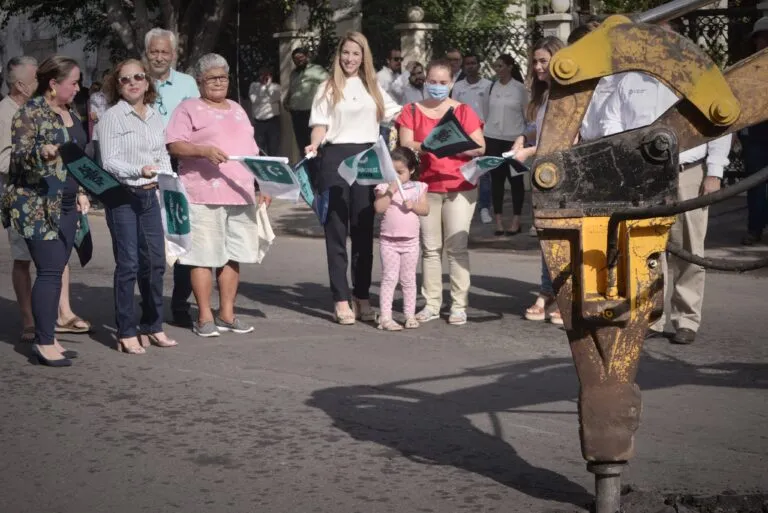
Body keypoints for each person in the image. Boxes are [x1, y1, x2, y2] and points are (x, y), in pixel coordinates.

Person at [600, 30, 732, 346]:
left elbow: (721, 123)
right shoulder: (628, 80)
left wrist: (714, 172)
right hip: (644, 175)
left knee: (688, 248)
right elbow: (610, 123)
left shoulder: (696, 79)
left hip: (688, 172)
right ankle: (652, 317)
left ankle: (686, 319)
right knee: (646, 248)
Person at [167, 53, 272, 338]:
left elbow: (252, 151)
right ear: (200, 81)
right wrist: (203, 150)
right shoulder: (188, 108)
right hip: (202, 194)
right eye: (212, 77)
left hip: (240, 192)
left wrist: (263, 185)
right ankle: (203, 317)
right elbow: (174, 145)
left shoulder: (238, 108)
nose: (218, 82)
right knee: (202, 256)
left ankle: (227, 314)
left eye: (223, 77)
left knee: (233, 256)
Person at [304, 32, 401, 324]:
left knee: (362, 231)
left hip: (367, 160)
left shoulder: (374, 88)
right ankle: (341, 299)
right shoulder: (327, 87)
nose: (350, 59)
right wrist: (314, 144)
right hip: (334, 160)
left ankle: (361, 296)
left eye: (356, 54)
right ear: (339, 55)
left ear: (364, 57)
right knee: (336, 233)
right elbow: (320, 125)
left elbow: (398, 114)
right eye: (346, 53)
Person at [1, 56, 91, 366]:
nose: (78, 88)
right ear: (53, 85)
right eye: (73, 82)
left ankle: (49, 335)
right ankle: (44, 341)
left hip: (66, 202)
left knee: (57, 269)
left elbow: (77, 155)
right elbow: (20, 155)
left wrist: (80, 191)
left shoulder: (69, 111)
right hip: (37, 204)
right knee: (50, 271)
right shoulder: (30, 112)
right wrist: (42, 151)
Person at [97, 59, 177, 354]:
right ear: (116, 86)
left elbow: (163, 156)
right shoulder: (112, 117)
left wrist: (166, 179)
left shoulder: (155, 116)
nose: (132, 83)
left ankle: (153, 325)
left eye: (138, 78)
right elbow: (109, 161)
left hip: (150, 196)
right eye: (125, 79)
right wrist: (139, 170)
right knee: (129, 264)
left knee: (155, 263)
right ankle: (126, 330)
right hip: (122, 196)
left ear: (147, 83)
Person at [397, 59, 485, 326]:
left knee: (456, 247)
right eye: (432, 82)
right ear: (425, 82)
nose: (437, 87)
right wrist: (428, 146)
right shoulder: (412, 110)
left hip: (460, 186)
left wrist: (453, 146)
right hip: (425, 186)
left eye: (443, 83)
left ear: (451, 83)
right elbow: (405, 143)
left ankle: (459, 305)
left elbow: (480, 147)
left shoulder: (464, 111)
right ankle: (432, 303)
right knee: (430, 248)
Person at [144, 27, 200, 328]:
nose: (159, 57)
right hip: (146, 164)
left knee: (181, 232)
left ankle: (180, 303)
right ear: (146, 52)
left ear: (174, 54)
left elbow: (198, 122)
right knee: (150, 236)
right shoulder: (136, 79)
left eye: (165, 51)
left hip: (180, 162)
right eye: (154, 51)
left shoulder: (188, 83)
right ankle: (148, 303)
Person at [508, 37, 566, 325]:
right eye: (535, 61)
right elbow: (539, 128)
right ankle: (547, 291)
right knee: (545, 236)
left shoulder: (569, 95)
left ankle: (563, 294)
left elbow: (568, 139)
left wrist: (529, 150)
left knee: (563, 237)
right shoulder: (543, 96)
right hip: (543, 176)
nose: (538, 66)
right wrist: (525, 136)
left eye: (544, 61)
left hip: (565, 175)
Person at [373, 147, 429, 331]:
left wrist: (413, 206)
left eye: (401, 172)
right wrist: (390, 190)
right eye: (393, 172)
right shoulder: (383, 186)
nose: (396, 176)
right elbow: (379, 208)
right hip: (389, 242)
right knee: (389, 278)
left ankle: (410, 315)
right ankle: (386, 317)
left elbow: (425, 210)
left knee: (408, 280)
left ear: (411, 170)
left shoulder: (419, 187)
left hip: (411, 242)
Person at [484, 54, 528, 235]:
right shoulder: (491, 87)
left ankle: (516, 220)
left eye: (501, 66)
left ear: (510, 67)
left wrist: (524, 138)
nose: (498, 70)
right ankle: (499, 220)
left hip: (513, 140)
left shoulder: (519, 88)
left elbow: (527, 114)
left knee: (516, 180)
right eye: (496, 66)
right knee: (497, 180)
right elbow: (487, 111)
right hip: (493, 138)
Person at [452, 53, 493, 224]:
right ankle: (464, 206)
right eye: (467, 63)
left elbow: (492, 109)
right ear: (463, 66)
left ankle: (484, 207)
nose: (470, 66)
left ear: (478, 65)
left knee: (483, 172)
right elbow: (453, 110)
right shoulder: (458, 86)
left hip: (484, 133)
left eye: (473, 63)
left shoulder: (488, 85)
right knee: (465, 170)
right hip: (463, 135)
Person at [740, 17, 768, 245]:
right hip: (756, 135)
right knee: (755, 185)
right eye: (761, 38)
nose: (764, 42)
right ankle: (755, 229)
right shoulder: (748, 67)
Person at [286, 47, 329, 155]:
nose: (298, 60)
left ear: (306, 57)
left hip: (310, 113)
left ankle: (317, 169)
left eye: (301, 57)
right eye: (295, 58)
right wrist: (287, 100)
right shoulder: (293, 74)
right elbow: (292, 90)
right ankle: (306, 169)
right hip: (296, 114)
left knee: (313, 143)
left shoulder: (316, 70)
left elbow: (329, 84)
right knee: (301, 143)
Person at [249, 67, 281, 157]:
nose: (264, 77)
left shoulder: (276, 87)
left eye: (266, 75)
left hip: (272, 121)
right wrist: (264, 91)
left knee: (273, 147)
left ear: (271, 76)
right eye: (262, 75)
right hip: (259, 122)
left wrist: (268, 86)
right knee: (260, 148)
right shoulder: (254, 86)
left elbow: (275, 98)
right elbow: (253, 99)